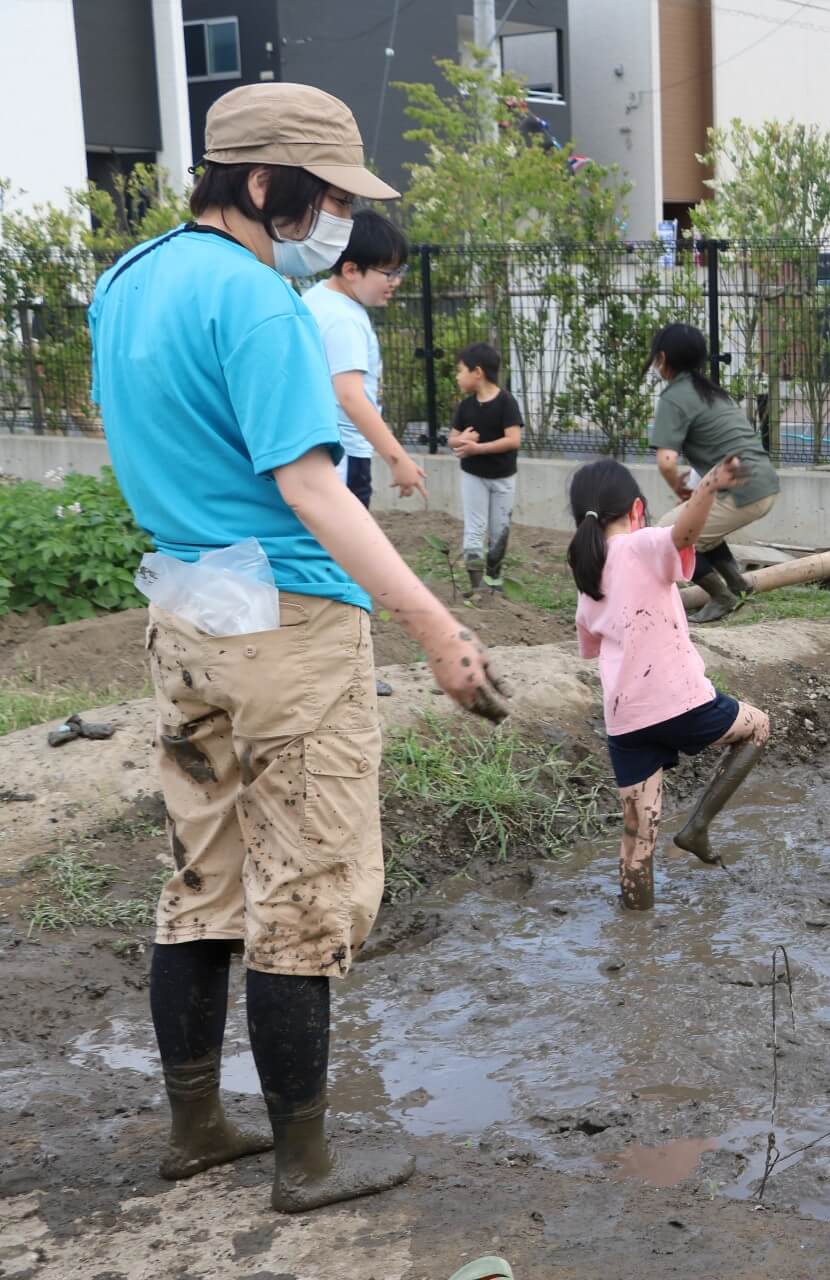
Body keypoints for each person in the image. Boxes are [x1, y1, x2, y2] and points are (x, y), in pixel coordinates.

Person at [87, 82, 506, 1214]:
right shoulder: (261, 305)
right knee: (307, 881)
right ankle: (306, 1161)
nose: (331, 219)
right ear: (263, 184)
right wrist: (435, 620)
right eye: (322, 196)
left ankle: (194, 1122)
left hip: (183, 612)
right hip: (290, 623)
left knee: (201, 873)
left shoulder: (123, 284)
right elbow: (313, 487)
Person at [569, 457, 772, 909]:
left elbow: (591, 647)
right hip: (681, 702)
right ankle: (698, 826)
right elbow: (685, 534)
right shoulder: (640, 546)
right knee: (758, 726)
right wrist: (709, 488)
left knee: (637, 840)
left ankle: (635, 937)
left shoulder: (587, 575)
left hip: (626, 723)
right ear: (637, 509)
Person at [647, 323, 781, 623]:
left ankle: (721, 598)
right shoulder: (712, 392)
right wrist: (691, 498)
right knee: (695, 524)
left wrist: (679, 488)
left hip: (740, 489)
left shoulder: (674, 397)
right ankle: (738, 585)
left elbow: (667, 462)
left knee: (668, 538)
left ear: (663, 358)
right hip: (763, 482)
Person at [300, 209, 426, 509]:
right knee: (346, 549)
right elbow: (351, 397)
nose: (396, 281)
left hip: (318, 446)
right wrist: (398, 459)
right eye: (389, 273)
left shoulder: (318, 299)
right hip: (344, 455)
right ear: (351, 269)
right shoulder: (345, 319)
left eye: (400, 271)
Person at [448, 341, 524, 596]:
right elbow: (452, 438)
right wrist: (461, 441)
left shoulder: (506, 402)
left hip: (503, 478)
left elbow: (513, 440)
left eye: (461, 370)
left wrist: (476, 449)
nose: (458, 376)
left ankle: (494, 580)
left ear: (477, 372)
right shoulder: (466, 407)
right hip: (474, 476)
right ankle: (477, 586)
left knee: (500, 529)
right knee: (475, 527)